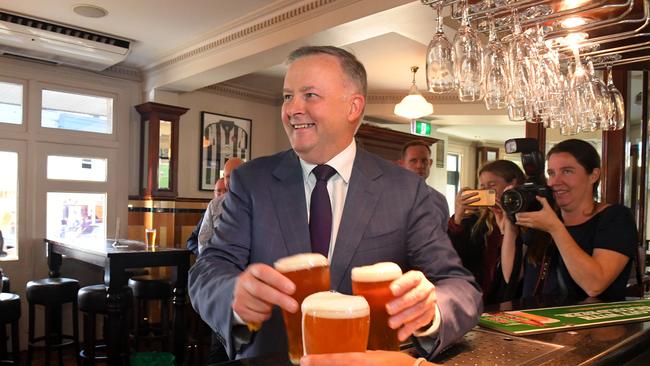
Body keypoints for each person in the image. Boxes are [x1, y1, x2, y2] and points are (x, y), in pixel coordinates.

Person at [188, 45, 481, 362]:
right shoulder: (251, 181)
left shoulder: (405, 190)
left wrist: (430, 311)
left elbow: (461, 288)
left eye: (309, 95)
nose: (292, 109)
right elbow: (209, 269)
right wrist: (234, 295)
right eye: (288, 96)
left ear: (353, 107)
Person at [502, 139, 637, 300]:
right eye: (551, 173)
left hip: (590, 323)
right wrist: (510, 223)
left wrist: (556, 229)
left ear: (594, 175)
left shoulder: (616, 217)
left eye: (567, 171)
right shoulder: (544, 217)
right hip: (538, 322)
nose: (555, 182)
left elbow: (594, 285)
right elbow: (512, 276)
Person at [448, 160, 525, 304]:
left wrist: (506, 222)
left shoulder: (525, 218)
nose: (486, 191)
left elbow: (516, 271)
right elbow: (452, 256)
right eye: (482, 186)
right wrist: (458, 216)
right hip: (475, 297)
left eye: (492, 185)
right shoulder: (475, 220)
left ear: (512, 185)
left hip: (510, 298)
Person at [398, 140, 449, 228]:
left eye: (424, 161)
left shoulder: (440, 200)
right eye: (413, 161)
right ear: (402, 164)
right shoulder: (388, 197)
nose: (420, 166)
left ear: (430, 163)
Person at [197, 158, 244, 254]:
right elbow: (203, 242)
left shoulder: (259, 203)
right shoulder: (214, 205)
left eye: (237, 176)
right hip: (218, 262)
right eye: (228, 177)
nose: (232, 181)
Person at [186, 178, 226, 255]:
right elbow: (191, 240)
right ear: (214, 193)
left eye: (226, 191)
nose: (222, 195)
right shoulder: (209, 212)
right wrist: (202, 255)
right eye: (218, 191)